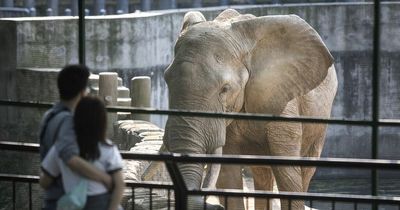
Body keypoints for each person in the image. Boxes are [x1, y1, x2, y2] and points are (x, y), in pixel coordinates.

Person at [38, 64, 112, 210]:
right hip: (66, 199)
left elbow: (45, 177)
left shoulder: (49, 115)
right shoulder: (68, 120)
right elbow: (69, 156)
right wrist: (105, 178)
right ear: (82, 92)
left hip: (53, 197)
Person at [40, 96, 125, 210]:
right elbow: (119, 185)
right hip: (101, 202)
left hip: (73, 204)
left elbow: (45, 181)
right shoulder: (107, 148)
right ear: (102, 121)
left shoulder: (61, 148)